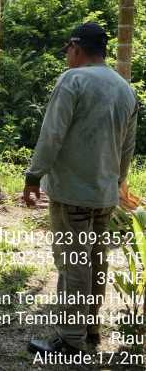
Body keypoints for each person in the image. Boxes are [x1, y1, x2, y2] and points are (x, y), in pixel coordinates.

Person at [23, 22, 138, 355]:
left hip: (73, 193)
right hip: (103, 195)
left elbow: (52, 135)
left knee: (74, 264)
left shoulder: (73, 80)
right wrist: (116, 182)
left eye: (68, 51)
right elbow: (127, 147)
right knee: (97, 261)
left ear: (76, 47)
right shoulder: (124, 88)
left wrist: (33, 176)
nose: (67, 57)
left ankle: (69, 340)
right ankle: (89, 329)